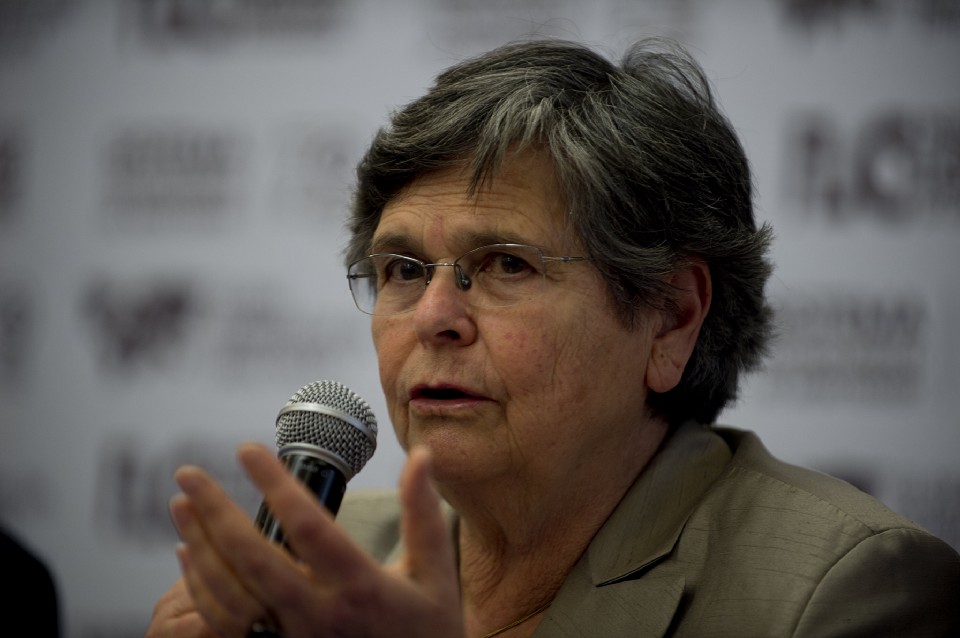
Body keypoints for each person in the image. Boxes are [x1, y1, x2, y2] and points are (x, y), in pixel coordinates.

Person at [146, 37, 960, 637]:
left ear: (672, 318)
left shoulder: (844, 592)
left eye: (503, 264)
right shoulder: (322, 566)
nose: (433, 317)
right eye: (400, 269)